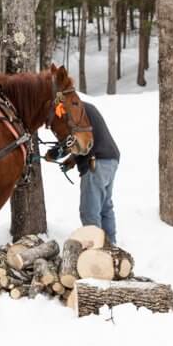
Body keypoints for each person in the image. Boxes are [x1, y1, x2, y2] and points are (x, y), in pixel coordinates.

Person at [46, 101, 119, 244]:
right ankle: (112, 246)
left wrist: (53, 154)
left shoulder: (73, 111)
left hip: (95, 162)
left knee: (90, 211)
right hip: (110, 158)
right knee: (105, 207)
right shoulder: (86, 107)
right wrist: (73, 159)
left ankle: (96, 250)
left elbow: (71, 140)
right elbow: (87, 140)